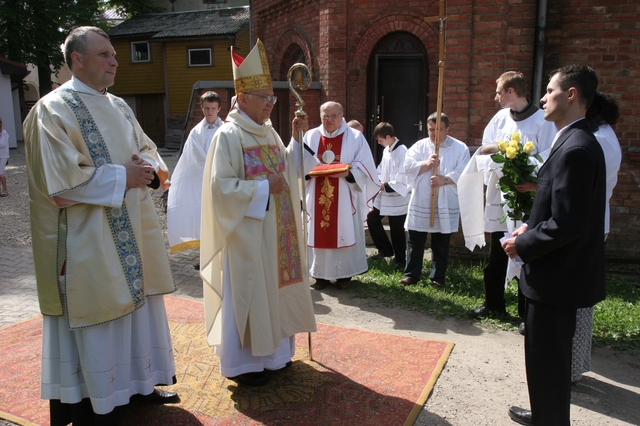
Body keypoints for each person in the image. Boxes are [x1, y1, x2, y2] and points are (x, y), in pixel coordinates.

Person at [23, 26, 178, 424]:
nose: (114, 61)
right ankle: (95, 401)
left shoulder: (121, 106)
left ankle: (139, 385)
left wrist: (151, 170)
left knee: (137, 312)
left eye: (114, 55)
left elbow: (147, 149)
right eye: (105, 54)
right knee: (101, 314)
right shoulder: (52, 110)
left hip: (132, 232)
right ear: (77, 59)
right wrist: (122, 176)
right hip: (85, 239)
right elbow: (58, 185)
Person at [200, 39, 317, 387]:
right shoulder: (229, 136)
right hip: (247, 238)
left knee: (278, 290)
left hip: (277, 233)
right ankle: (246, 366)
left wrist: (296, 139)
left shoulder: (267, 133)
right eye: (265, 97)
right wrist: (265, 188)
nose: (270, 103)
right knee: (253, 293)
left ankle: (277, 356)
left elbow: (290, 170)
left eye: (272, 98)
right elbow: (221, 190)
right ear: (244, 99)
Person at [503, 65, 606, 426]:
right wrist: (529, 225)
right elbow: (556, 203)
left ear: (572, 94)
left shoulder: (577, 147)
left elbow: (568, 223)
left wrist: (524, 244)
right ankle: (546, 412)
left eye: (550, 90)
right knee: (544, 358)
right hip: (552, 275)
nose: (543, 97)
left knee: (549, 357)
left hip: (557, 278)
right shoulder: (569, 138)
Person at [464, 71, 557, 321]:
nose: (495, 97)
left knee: (526, 254)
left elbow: (549, 157)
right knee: (497, 254)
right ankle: (493, 303)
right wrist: (501, 156)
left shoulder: (542, 121)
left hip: (527, 197)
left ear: (511, 92)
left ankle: (527, 315)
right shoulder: (499, 119)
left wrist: (528, 177)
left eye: (498, 92)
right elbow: (484, 150)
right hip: (501, 196)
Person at [571, 91, 621, 384]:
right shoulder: (605, 135)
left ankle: (572, 368)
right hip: (592, 222)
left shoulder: (597, 140)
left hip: (584, 225)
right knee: (579, 301)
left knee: (576, 301)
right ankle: (574, 364)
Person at [303, 101, 379, 290]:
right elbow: (299, 162)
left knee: (343, 229)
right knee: (317, 229)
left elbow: (366, 164)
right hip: (316, 193)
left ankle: (345, 275)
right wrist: (307, 171)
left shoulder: (355, 137)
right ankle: (320, 275)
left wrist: (349, 173)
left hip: (345, 195)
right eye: (325, 116)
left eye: (333, 116)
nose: (329, 120)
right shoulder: (311, 135)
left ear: (342, 114)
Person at [400, 112, 470, 286]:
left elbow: (465, 171)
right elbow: (407, 167)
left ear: (447, 129)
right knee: (415, 239)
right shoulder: (419, 146)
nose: (434, 134)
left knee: (441, 240)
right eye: (431, 129)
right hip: (422, 199)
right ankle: (412, 274)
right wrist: (427, 164)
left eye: (438, 129)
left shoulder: (460, 148)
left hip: (445, 199)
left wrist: (444, 179)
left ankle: (437, 277)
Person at [167, 90, 223, 254]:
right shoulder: (195, 132)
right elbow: (191, 158)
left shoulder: (228, 130)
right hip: (200, 181)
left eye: (213, 108)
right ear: (202, 108)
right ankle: (206, 255)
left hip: (221, 179)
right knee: (202, 216)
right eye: (207, 108)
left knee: (219, 217)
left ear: (219, 108)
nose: (210, 112)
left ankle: (221, 252)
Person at [366, 122, 410, 267]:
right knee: (372, 218)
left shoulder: (403, 151)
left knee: (396, 228)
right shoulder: (387, 150)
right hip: (384, 195)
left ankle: (400, 260)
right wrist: (376, 181)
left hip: (397, 196)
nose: (379, 143)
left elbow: (404, 176)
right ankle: (385, 250)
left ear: (389, 136)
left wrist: (386, 185)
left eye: (380, 140)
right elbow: (380, 170)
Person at [0, 116, 8, 196]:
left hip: (3, 155)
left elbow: (2, 144)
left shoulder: (4, 132)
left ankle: (5, 190)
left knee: (0, 172)